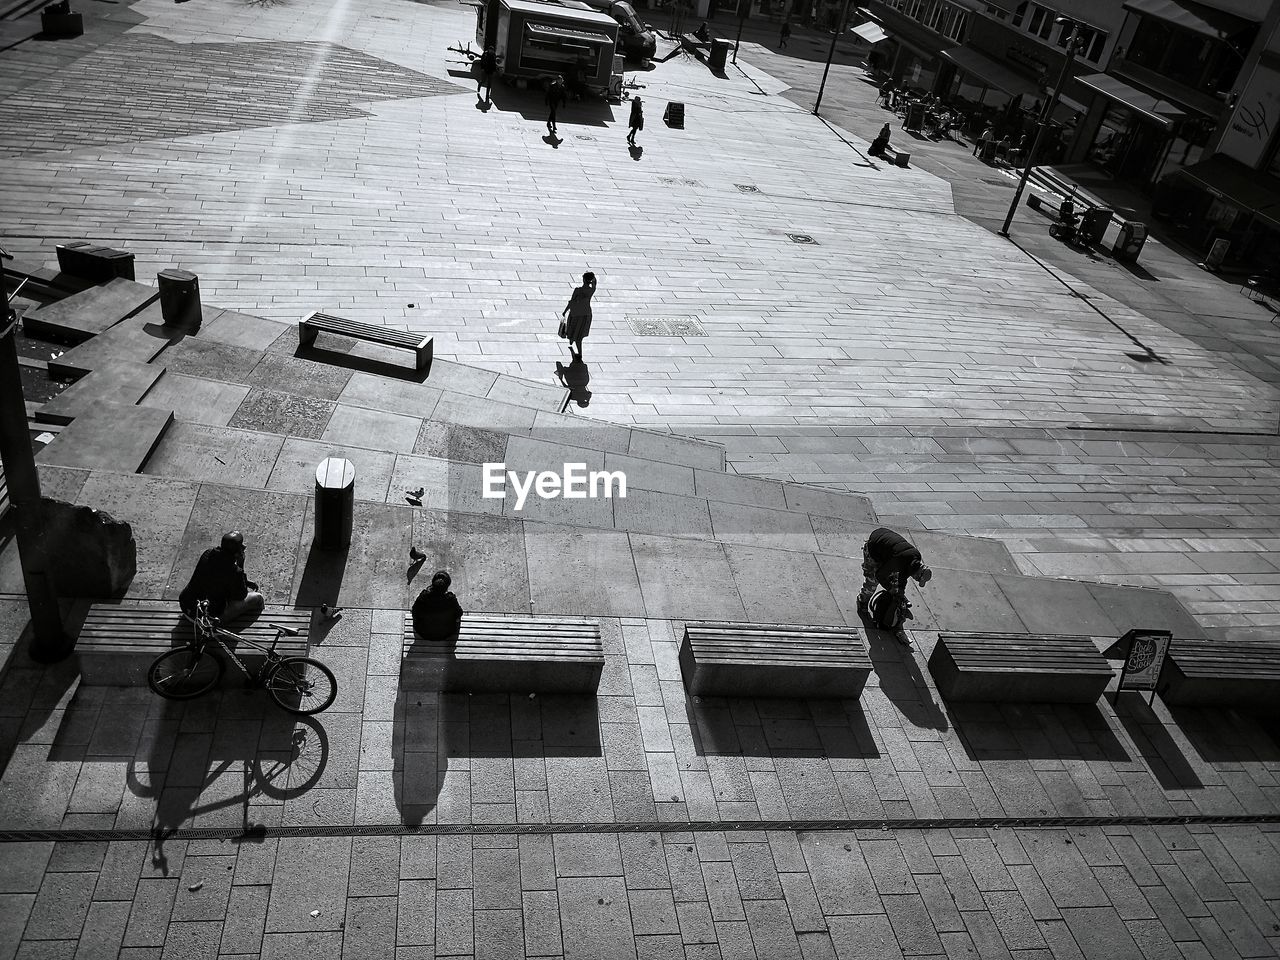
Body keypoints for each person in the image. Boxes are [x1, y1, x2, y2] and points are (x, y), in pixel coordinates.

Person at [856, 527, 932, 643]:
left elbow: (902, 577)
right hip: (874, 549)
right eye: (917, 579)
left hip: (887, 551)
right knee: (872, 581)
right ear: (917, 574)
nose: (916, 580)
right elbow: (880, 575)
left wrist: (899, 593)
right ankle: (862, 600)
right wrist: (892, 590)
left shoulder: (914, 559)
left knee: (894, 584)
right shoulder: (900, 560)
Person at [178, 530, 265, 622]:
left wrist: (243, 580)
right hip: (207, 619)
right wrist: (240, 565)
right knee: (258, 598)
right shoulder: (234, 571)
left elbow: (216, 575)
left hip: (186, 607)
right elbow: (241, 596)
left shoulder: (207, 554)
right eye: (241, 546)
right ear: (237, 552)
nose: (244, 547)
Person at [411, 570, 464, 643]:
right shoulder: (450, 599)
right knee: (457, 618)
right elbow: (459, 613)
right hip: (446, 634)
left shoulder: (424, 596)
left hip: (423, 632)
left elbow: (414, 611)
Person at [561, 271, 596, 356]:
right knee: (580, 334)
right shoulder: (591, 290)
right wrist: (592, 279)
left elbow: (571, 302)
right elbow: (595, 283)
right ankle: (579, 352)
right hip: (586, 314)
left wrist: (565, 311)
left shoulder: (578, 290)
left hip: (575, 314)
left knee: (573, 330)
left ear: (583, 280)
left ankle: (575, 344)